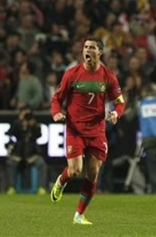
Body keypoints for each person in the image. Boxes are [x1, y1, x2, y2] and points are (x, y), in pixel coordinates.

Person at [50, 37, 125, 225]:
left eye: (92, 48)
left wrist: (116, 113)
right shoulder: (72, 74)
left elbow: (120, 102)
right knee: (75, 171)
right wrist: (57, 114)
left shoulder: (108, 76)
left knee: (92, 173)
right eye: (85, 47)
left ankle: (79, 215)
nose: (87, 50)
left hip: (97, 130)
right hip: (75, 129)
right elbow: (56, 99)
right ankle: (61, 181)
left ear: (100, 52)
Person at [5, 106, 48, 195]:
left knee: (42, 163)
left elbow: (38, 134)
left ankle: (41, 187)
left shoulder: (34, 125)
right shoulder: (17, 124)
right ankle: (11, 187)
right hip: (18, 154)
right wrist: (20, 123)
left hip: (32, 154)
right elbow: (10, 132)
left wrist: (32, 125)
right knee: (10, 163)